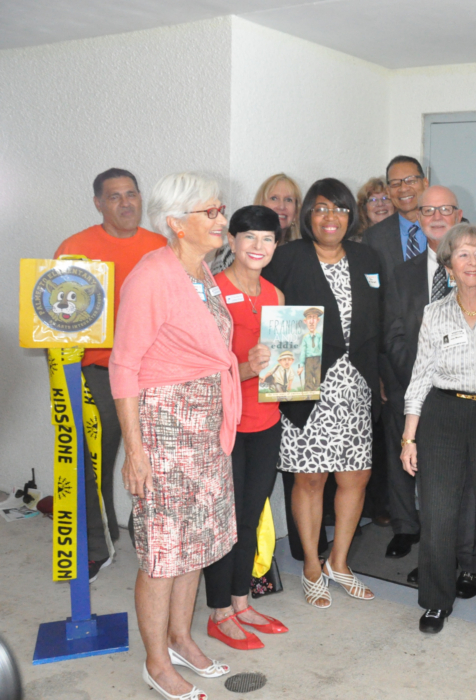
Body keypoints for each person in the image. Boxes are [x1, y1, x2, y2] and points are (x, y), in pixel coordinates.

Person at [110, 172, 241, 700]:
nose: (221, 219)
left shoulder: (202, 270)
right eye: (210, 212)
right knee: (163, 553)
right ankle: (156, 662)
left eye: (220, 209)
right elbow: (124, 366)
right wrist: (135, 452)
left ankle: (182, 638)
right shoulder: (152, 275)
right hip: (164, 428)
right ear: (176, 223)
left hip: (204, 427)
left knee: (196, 543)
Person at [262, 178, 382, 609]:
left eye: (340, 209)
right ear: (308, 215)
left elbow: (379, 319)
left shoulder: (367, 258)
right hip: (303, 380)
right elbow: (267, 310)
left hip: (356, 385)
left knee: (355, 476)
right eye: (321, 208)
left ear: (352, 216)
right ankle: (312, 565)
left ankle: (339, 561)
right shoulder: (287, 257)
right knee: (310, 478)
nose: (331, 217)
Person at [384, 186, 476, 587]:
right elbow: (404, 347)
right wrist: (414, 424)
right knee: (438, 501)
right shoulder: (418, 291)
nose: (472, 262)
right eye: (463, 255)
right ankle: (437, 579)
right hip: (436, 404)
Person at [53, 168, 167, 581]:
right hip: (97, 371)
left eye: (131, 194)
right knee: (91, 462)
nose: (125, 203)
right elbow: (55, 314)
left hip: (152, 371)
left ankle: (149, 536)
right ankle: (95, 547)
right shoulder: (75, 248)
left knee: (158, 459)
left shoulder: (160, 247)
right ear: (98, 203)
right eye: (114, 196)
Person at [399, 222, 476, 633]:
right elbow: (420, 376)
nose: (472, 261)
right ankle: (435, 600)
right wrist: (409, 437)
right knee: (438, 512)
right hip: (443, 415)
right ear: (448, 265)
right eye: (463, 254)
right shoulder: (435, 312)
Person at [201, 205, 290, 651]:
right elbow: (201, 369)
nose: (258, 246)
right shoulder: (212, 292)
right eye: (249, 237)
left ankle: (241, 601)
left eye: (268, 238)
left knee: (252, 516)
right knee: (226, 520)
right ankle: (219, 612)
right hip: (226, 424)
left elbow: (286, 363)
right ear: (232, 241)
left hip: (266, 421)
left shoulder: (276, 294)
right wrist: (247, 367)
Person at [365, 156, 430, 560]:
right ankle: (405, 525)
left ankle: (443, 527)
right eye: (395, 183)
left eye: (411, 180)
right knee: (397, 444)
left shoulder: (450, 228)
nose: (403, 188)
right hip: (394, 361)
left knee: (441, 449)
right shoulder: (374, 239)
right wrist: (377, 370)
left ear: (425, 182)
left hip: (447, 363)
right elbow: (370, 307)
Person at [255, 173, 302, 245]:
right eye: (274, 198)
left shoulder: (302, 250)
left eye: (288, 200)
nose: (281, 206)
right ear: (260, 205)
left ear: (296, 212)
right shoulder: (246, 248)